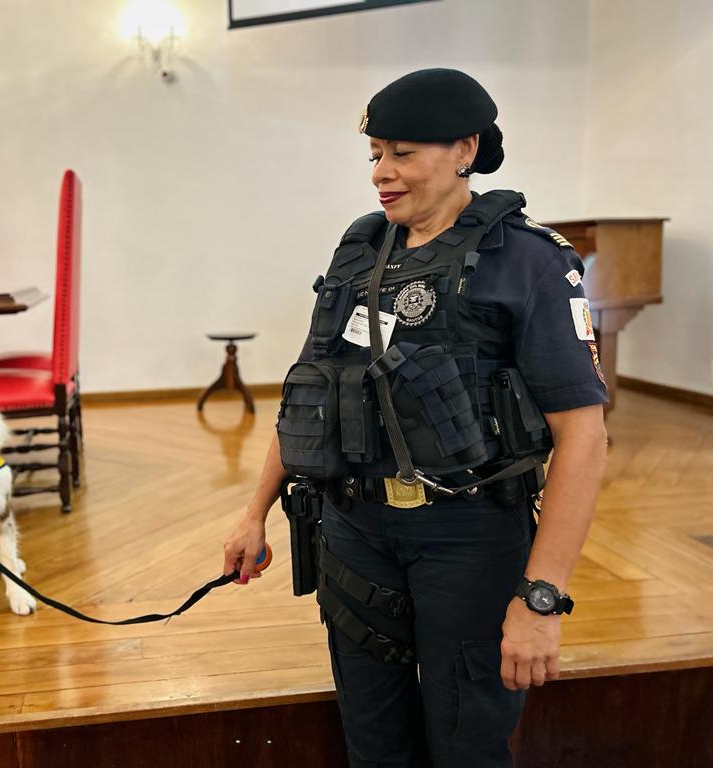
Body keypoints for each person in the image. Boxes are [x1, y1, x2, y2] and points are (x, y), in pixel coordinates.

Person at [222, 68, 609, 767]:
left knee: (466, 746)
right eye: (375, 154)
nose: (381, 172)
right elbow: (311, 391)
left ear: (465, 149)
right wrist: (255, 512)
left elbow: (582, 436)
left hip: (470, 538)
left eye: (402, 153)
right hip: (353, 531)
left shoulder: (529, 262)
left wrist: (541, 597)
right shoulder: (360, 252)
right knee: (373, 744)